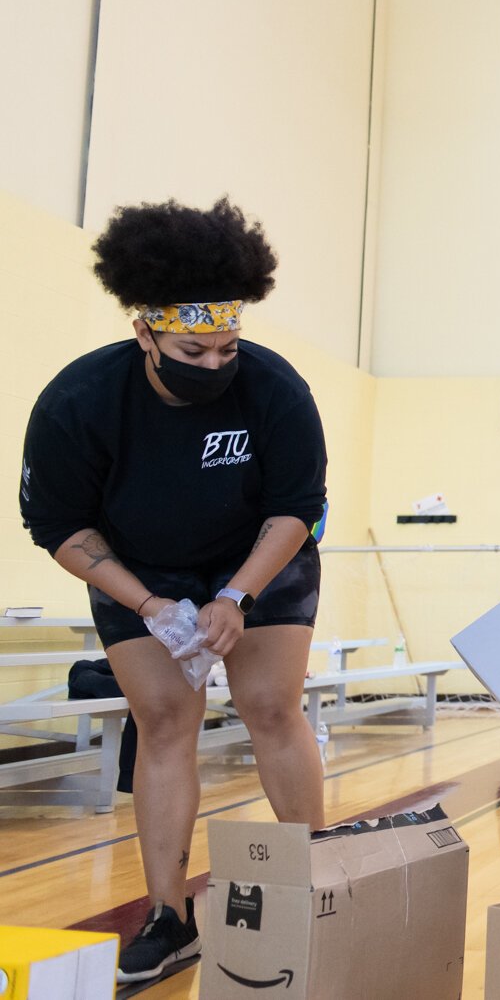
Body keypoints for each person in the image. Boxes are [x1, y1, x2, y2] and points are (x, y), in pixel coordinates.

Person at [19, 198, 330, 982]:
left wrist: (237, 597)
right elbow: (60, 527)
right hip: (140, 570)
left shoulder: (274, 389)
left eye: (228, 347)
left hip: (258, 559)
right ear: (144, 332)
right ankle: (167, 914)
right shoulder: (77, 404)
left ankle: (322, 885)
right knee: (161, 720)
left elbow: (296, 506)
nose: (216, 364)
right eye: (194, 349)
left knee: (270, 706)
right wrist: (151, 605)